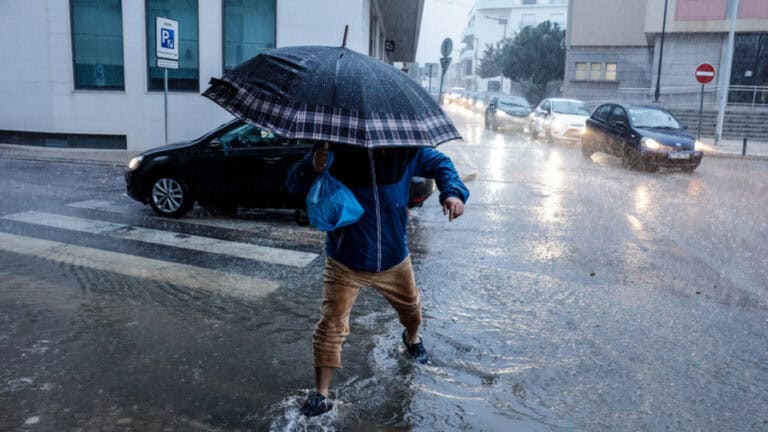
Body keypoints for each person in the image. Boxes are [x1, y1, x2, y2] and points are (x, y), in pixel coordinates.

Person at [285, 142, 469, 417]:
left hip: (394, 258)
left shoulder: (405, 150)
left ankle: (412, 338)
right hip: (345, 259)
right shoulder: (334, 148)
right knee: (331, 326)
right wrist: (312, 166)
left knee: (412, 310)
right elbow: (292, 184)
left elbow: (441, 163)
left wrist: (452, 193)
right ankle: (321, 393)